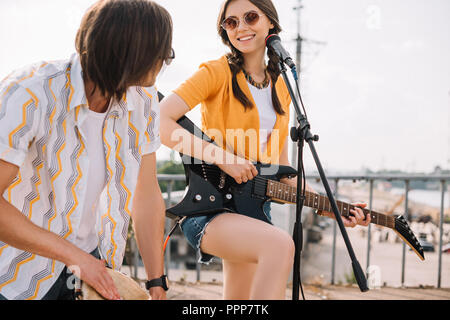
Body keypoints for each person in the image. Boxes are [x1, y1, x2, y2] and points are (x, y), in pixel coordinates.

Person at [160, 0, 370, 300]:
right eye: (231, 22)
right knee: (280, 245)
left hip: (254, 208)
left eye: (250, 17)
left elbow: (282, 172)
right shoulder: (215, 72)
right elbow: (159, 121)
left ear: (270, 22)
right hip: (209, 207)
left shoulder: (282, 86)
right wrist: (222, 157)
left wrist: (333, 207)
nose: (241, 27)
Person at [0, 0, 172, 300]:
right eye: (163, 53)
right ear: (133, 53)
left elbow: (146, 193)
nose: (167, 61)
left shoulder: (144, 101)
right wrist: (75, 257)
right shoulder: (29, 93)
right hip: (15, 271)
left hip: (91, 267)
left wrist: (157, 281)